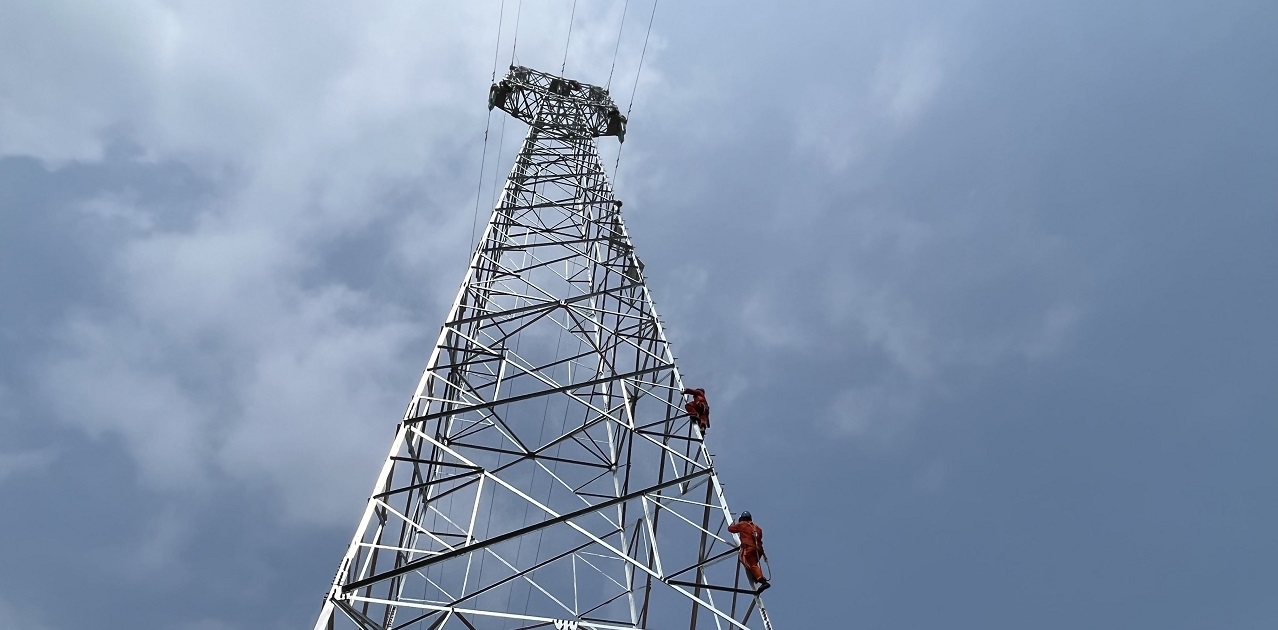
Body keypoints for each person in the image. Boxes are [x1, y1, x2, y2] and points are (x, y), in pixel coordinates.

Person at [727, 511, 770, 593]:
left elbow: (731, 529)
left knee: (749, 563)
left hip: (749, 548)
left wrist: (732, 524)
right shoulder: (757, 528)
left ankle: (762, 581)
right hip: (759, 550)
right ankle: (756, 576)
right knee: (753, 564)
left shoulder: (742, 524)